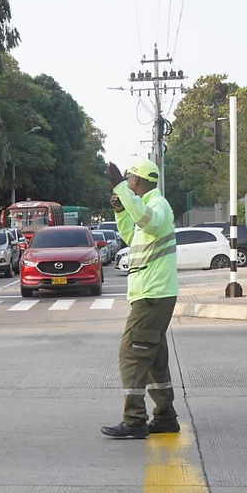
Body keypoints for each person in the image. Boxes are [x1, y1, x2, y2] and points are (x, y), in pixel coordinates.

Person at [101, 159, 180, 439]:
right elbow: (131, 234)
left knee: (131, 355)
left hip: (152, 295)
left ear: (139, 181)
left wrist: (120, 189)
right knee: (155, 359)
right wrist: (121, 210)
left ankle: (134, 420)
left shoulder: (158, 206)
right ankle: (165, 417)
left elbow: (146, 220)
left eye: (129, 179)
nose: (126, 182)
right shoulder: (147, 207)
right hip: (151, 295)